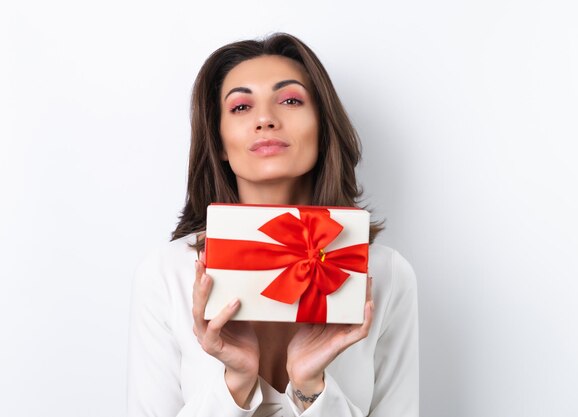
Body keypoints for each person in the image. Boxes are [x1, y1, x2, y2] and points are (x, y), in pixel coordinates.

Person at [127, 32, 419, 417]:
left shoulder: (385, 274)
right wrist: (235, 384)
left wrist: (311, 390)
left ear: (322, 127)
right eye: (241, 107)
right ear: (218, 142)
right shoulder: (167, 274)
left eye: (290, 100)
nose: (265, 119)